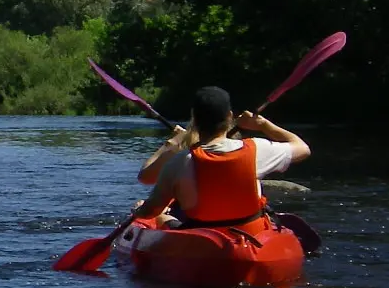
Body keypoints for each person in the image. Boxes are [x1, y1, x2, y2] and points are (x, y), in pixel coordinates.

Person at [133, 86, 312, 228]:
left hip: (201, 235)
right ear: (229, 117)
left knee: (161, 214)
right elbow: (303, 148)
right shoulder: (257, 148)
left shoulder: (180, 161)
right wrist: (264, 125)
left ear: (194, 119)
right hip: (249, 231)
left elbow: (150, 210)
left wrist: (139, 210)